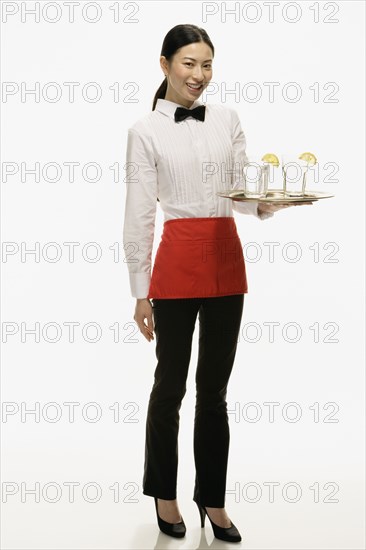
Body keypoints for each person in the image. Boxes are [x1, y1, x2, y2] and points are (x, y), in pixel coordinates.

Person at [123, 24, 312, 543]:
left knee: (216, 392)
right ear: (164, 65)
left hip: (227, 258)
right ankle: (165, 493)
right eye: (188, 64)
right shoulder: (144, 130)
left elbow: (239, 188)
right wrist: (140, 289)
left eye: (206, 65)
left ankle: (214, 500)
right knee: (170, 388)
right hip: (178, 262)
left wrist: (264, 205)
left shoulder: (227, 118)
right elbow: (138, 214)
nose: (198, 75)